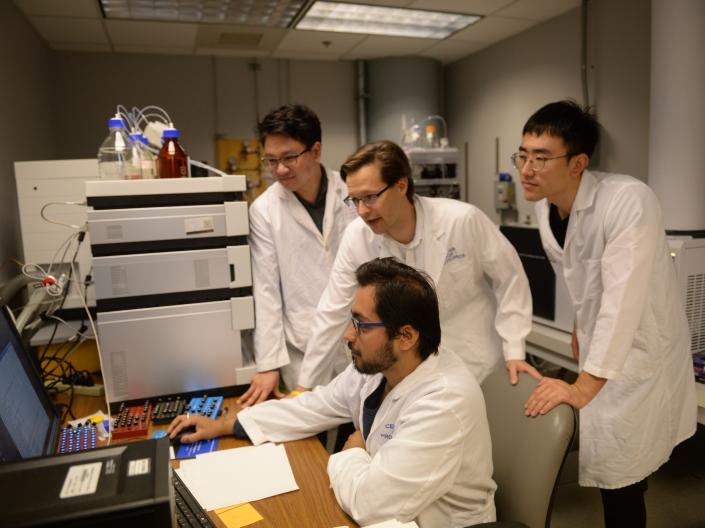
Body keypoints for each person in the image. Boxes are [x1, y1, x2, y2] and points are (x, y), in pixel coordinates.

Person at [169, 257, 496, 527]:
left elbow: (371, 504)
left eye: (361, 325)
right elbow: (315, 406)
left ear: (406, 336)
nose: (347, 336)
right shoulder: (382, 367)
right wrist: (231, 424)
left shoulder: (445, 401)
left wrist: (350, 451)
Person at [518, 100, 697, 527]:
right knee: (619, 463)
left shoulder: (629, 200)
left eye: (541, 158)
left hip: (639, 351)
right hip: (603, 344)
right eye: (522, 155)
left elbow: (622, 299)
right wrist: (582, 326)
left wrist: (582, 387)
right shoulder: (547, 209)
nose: (526, 168)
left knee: (622, 472)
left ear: (578, 162)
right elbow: (580, 279)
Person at [292, 140, 538, 391]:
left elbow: (510, 279)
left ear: (401, 185)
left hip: (474, 359)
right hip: (408, 370)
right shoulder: (358, 237)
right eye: (354, 200)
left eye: (370, 197)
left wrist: (515, 349)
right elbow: (332, 309)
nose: (362, 211)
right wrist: (306, 385)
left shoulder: (461, 220)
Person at [238, 104, 356, 407]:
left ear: (315, 151)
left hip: (358, 337)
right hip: (302, 346)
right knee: (309, 442)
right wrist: (268, 363)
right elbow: (266, 290)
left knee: (362, 434)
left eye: (289, 157)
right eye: (271, 160)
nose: (279, 169)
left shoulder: (352, 194)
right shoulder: (264, 211)